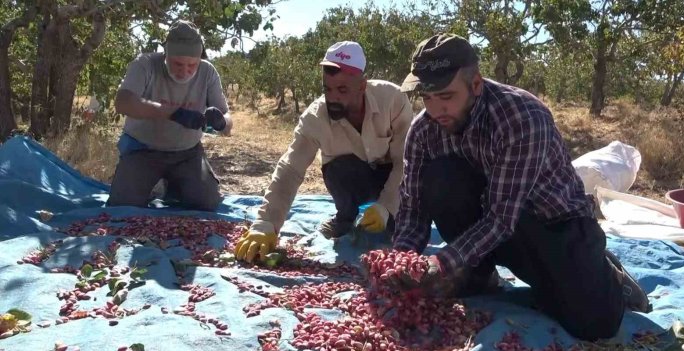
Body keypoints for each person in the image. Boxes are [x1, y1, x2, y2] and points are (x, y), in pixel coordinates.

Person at [388, 33, 650, 341]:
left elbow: (502, 217)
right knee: (441, 175)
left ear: (476, 85)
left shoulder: (521, 117)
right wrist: (400, 259)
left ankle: (608, 275)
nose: (435, 110)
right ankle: (479, 274)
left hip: (550, 224)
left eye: (446, 97)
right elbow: (413, 206)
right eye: (427, 98)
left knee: (594, 325)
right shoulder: (424, 130)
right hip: (490, 225)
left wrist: (441, 262)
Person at [234, 41, 414, 263]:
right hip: (353, 180)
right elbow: (290, 169)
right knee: (340, 167)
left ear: (362, 86)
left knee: (400, 227)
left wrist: (386, 207)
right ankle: (346, 220)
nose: (333, 98)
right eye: (327, 89)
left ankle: (390, 219)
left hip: (394, 183)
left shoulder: (393, 100)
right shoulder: (315, 117)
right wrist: (266, 223)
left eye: (342, 90)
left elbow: (407, 162)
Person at [107, 20, 232, 212]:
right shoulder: (145, 64)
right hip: (143, 150)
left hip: (187, 154)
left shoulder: (208, 72)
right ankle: (152, 184)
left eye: (192, 65)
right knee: (123, 206)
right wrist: (172, 113)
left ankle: (175, 186)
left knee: (207, 203)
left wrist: (221, 121)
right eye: (178, 64)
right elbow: (123, 102)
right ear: (166, 55)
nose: (184, 71)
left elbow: (228, 121)